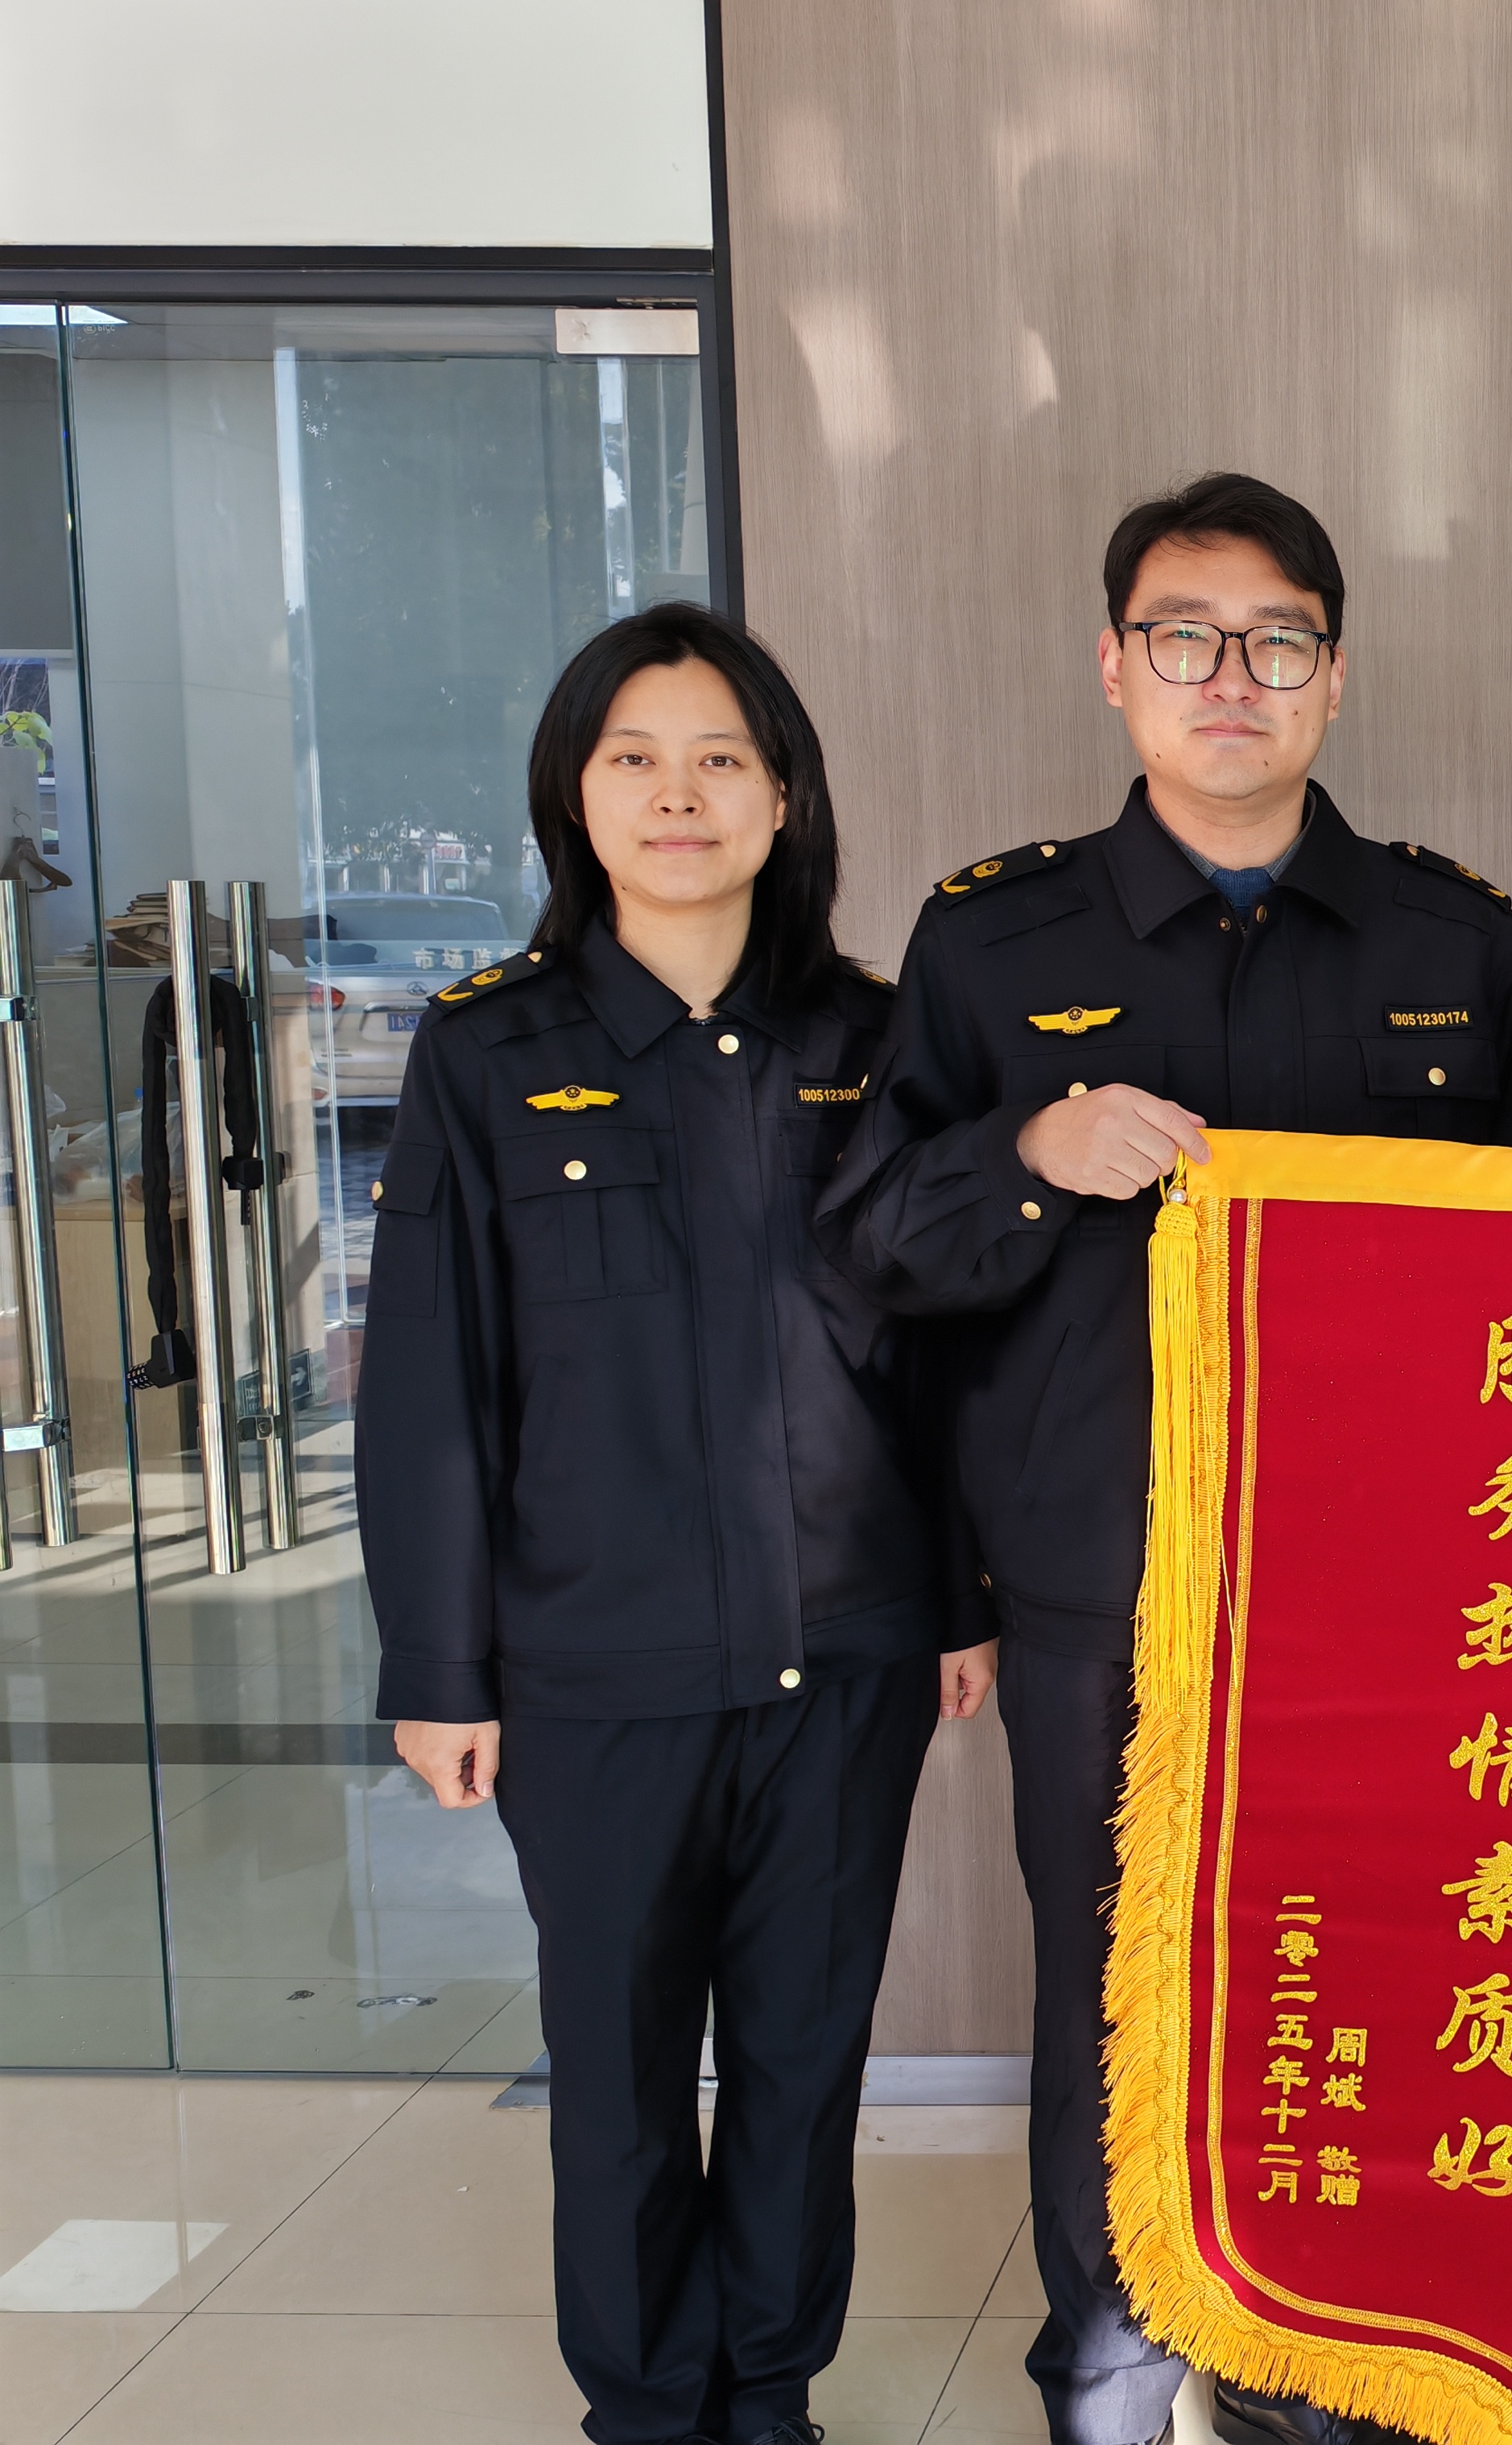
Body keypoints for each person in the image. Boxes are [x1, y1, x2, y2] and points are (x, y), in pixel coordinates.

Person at [818, 474, 1512, 2445]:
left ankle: (1322, 2369)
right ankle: (1114, 2372)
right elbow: (872, 1247)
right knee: (1117, 1992)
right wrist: (1027, 1156)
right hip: (1105, 1583)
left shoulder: (1450, 934)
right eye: (1185, 636)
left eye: (1277, 640)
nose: (1231, 675)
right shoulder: (992, 939)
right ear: (1114, 664)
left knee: (1367, 1974)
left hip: (1392, 1597)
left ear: (1334, 674)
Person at [363, 602, 994, 2445]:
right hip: (590, 1670)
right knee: (622, 2073)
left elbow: (947, 1351)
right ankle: (646, 2409)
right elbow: (431, 1380)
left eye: (721, 758)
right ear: (573, 795)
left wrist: (958, 1594)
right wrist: (437, 1666)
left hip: (846, 1653)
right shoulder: (489, 1051)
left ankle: (768, 2392)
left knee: (803, 2057)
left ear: (784, 797)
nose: (678, 794)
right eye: (633, 757)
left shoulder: (877, 1037)